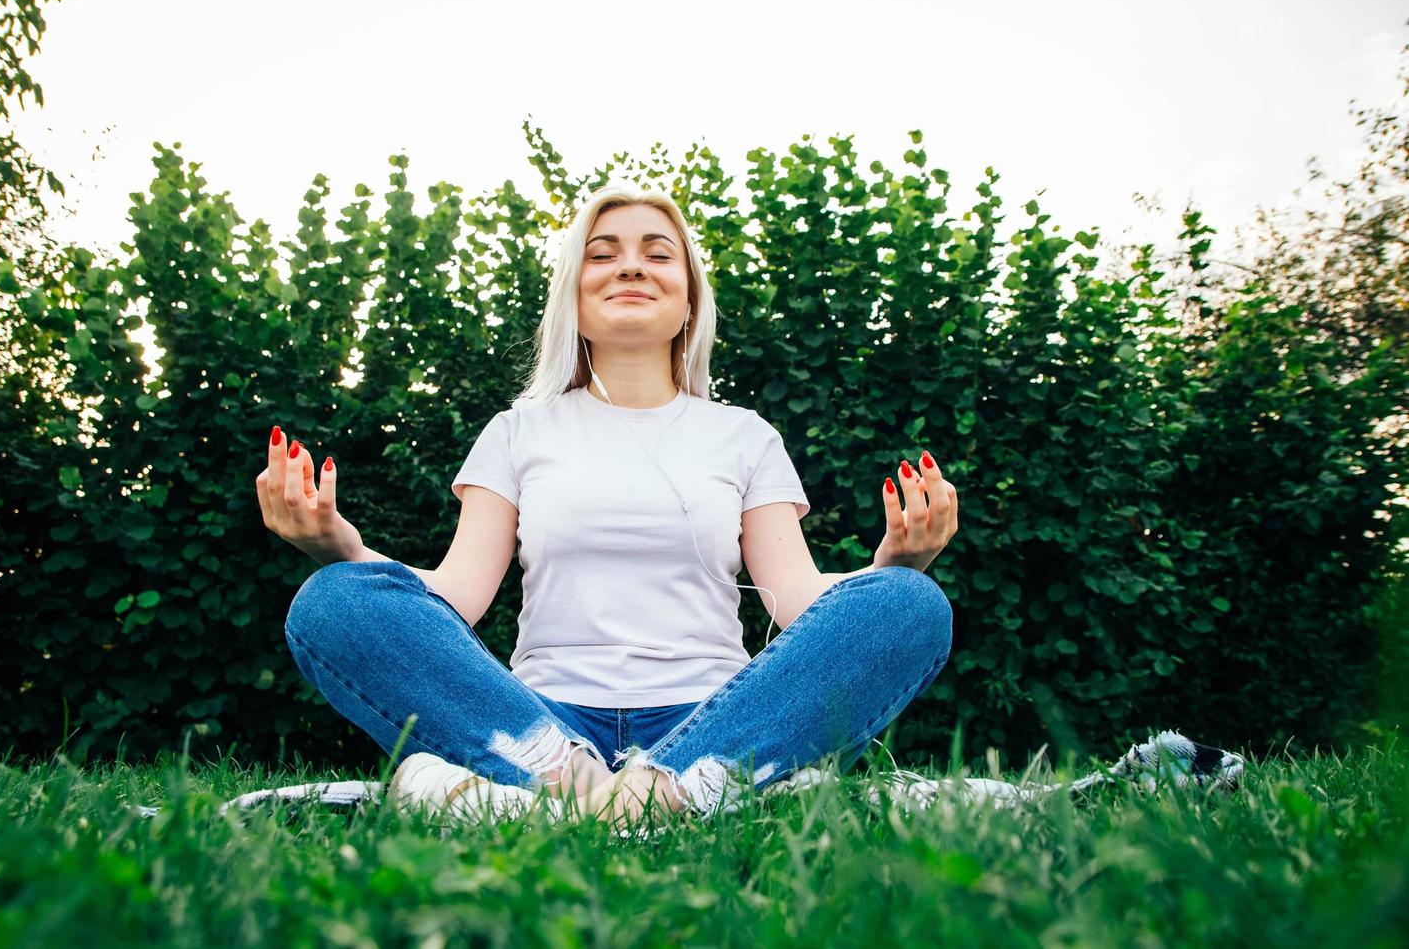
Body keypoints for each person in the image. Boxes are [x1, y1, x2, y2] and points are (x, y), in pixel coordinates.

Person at [256, 182, 960, 830]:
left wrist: (889, 567)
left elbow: (797, 599)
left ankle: (602, 794)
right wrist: (340, 546)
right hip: (544, 724)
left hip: (713, 717)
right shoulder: (518, 431)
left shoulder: (744, 436)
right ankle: (641, 791)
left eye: (658, 254)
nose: (630, 267)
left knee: (908, 603)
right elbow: (453, 597)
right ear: (575, 295)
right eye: (603, 255)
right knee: (332, 602)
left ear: (688, 300)